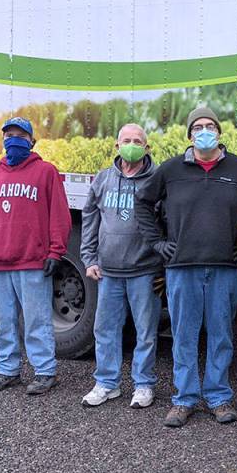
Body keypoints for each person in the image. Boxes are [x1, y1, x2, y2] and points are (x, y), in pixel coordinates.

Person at [136, 106, 237, 428]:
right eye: (198, 127)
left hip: (223, 269)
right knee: (184, 336)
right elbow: (143, 205)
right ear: (189, 134)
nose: (205, 131)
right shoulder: (171, 170)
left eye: (210, 126)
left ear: (219, 132)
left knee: (221, 336)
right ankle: (184, 398)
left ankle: (218, 397)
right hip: (181, 268)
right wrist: (158, 244)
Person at [0, 116, 71, 395]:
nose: (13, 140)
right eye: (8, 135)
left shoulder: (46, 172)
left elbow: (59, 216)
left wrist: (56, 251)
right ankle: (7, 370)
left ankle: (45, 371)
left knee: (37, 320)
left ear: (32, 141)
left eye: (20, 136)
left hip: (32, 261)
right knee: (5, 321)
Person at [80, 123, 164, 410]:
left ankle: (143, 385)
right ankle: (106, 383)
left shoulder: (156, 180)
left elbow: (167, 223)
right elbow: (90, 217)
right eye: (126, 140)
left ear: (147, 147)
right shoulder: (103, 179)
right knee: (105, 330)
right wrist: (89, 258)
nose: (132, 145)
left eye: (137, 141)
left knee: (146, 331)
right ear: (117, 146)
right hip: (109, 272)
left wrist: (163, 266)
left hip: (144, 271)